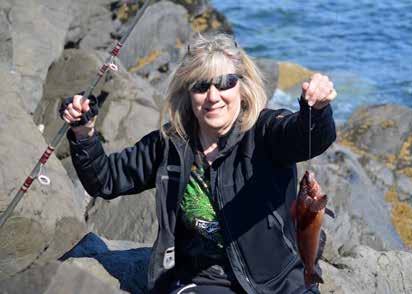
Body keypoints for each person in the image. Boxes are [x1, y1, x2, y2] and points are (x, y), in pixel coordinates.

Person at [62, 33, 337, 294]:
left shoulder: (265, 131)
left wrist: (317, 109)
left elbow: (307, 136)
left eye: (226, 82)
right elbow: (105, 179)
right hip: (203, 279)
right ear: (188, 92)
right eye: (201, 86)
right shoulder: (170, 144)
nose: (213, 96)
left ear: (242, 86)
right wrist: (84, 134)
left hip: (277, 282)